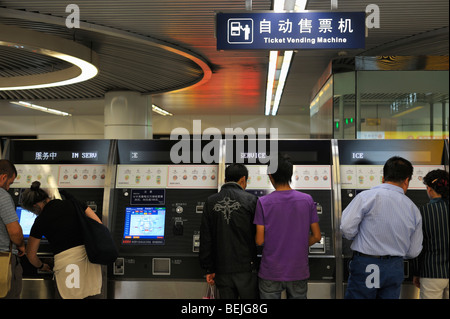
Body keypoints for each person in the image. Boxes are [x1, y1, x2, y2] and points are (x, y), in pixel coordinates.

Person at [340, 156, 423, 299]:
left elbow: (346, 228)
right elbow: (413, 251)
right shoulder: (413, 209)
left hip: (366, 263)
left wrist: (358, 236)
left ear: (383, 178)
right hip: (394, 266)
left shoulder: (365, 197)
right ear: (407, 180)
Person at [254, 153, 321, 299]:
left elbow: (259, 240)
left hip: (270, 271)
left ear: (271, 176)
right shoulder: (307, 200)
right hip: (298, 270)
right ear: (290, 175)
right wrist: (300, 244)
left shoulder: (263, 202)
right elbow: (317, 236)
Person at [21, 181, 102, 299]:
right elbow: (99, 224)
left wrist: (41, 265)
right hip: (90, 262)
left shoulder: (41, 220)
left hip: (67, 267)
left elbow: (31, 255)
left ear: (35, 206)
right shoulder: (74, 203)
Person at [199, 163, 259, 299]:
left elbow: (206, 238)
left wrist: (209, 268)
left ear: (225, 180)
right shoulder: (251, 200)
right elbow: (259, 236)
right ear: (243, 180)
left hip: (222, 269)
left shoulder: (210, 202)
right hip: (246, 269)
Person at [413, 169, 449, 299]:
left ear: (429, 189)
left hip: (431, 272)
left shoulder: (422, 212)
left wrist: (416, 272)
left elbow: (417, 246)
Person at [0, 160, 25, 299]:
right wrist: (21, 245)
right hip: (3, 259)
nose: (8, 188)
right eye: (9, 183)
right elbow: (15, 232)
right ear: (3, 177)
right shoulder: (2, 195)